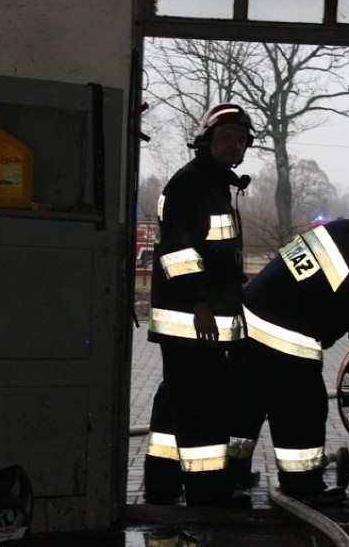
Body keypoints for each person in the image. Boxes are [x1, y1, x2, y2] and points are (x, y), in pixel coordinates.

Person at [231, 217, 349, 505]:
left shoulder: (344, 230)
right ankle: (302, 487)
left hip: (248, 319)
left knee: (249, 401)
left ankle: (232, 472)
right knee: (303, 409)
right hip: (284, 335)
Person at [143, 103, 255, 507]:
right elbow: (178, 252)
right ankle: (208, 494)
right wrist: (200, 304)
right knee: (203, 408)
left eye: (240, 140)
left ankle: (162, 484)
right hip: (193, 321)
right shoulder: (191, 184)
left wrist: (230, 278)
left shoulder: (212, 184)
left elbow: (210, 249)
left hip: (194, 320)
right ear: (206, 141)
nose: (234, 145)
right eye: (226, 137)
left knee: (175, 406)